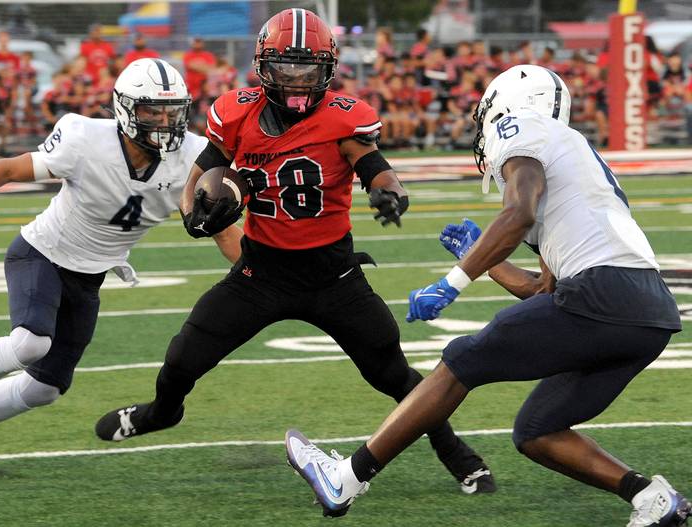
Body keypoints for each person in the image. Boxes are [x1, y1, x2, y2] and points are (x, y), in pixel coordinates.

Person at [95, 8, 495, 503]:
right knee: (181, 359)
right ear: (265, 66)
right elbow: (201, 175)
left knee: (394, 374)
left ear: (327, 69)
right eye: (287, 68)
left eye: (308, 69)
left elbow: (375, 168)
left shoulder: (343, 118)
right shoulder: (236, 112)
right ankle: (160, 413)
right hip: (261, 270)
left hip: (334, 275)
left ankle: (455, 452)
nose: (297, 79)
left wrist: (388, 192)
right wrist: (192, 214)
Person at [284, 64, 690, 526]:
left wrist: (453, 280)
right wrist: (487, 259)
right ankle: (651, 498)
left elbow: (518, 212)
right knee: (537, 430)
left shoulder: (519, 126)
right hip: (647, 312)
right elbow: (543, 290)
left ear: (505, 105)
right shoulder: (573, 157)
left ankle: (345, 478)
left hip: (603, 292)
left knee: (462, 360)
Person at [0, 59, 225, 479]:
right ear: (124, 109)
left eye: (170, 111)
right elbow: (11, 168)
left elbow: (222, 231)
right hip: (41, 253)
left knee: (45, 388)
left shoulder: (192, 157)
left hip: (89, 277)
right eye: (151, 111)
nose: (162, 122)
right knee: (30, 343)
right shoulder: (85, 138)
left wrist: (260, 274)